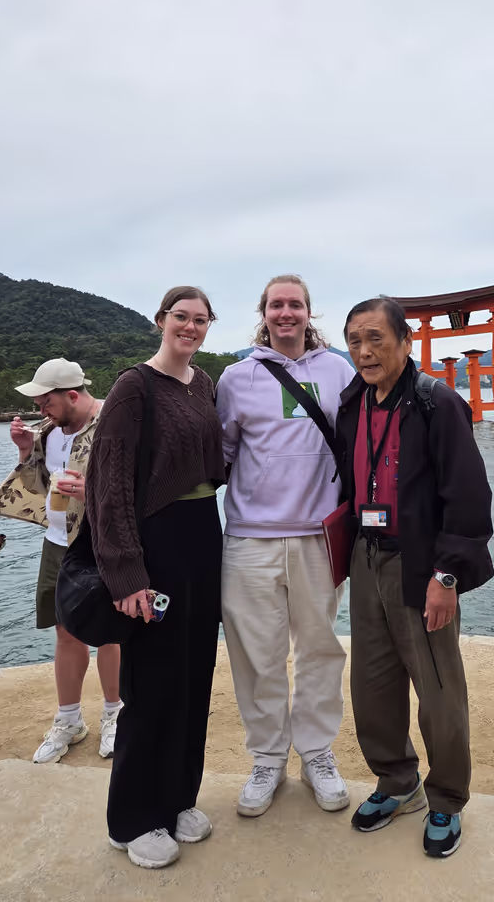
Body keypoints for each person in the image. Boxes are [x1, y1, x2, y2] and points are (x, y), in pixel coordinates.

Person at [337, 296, 493, 858]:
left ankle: (447, 797)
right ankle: (397, 780)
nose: (364, 350)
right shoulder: (354, 402)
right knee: (372, 683)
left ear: (406, 342)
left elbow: (469, 497)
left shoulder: (437, 403)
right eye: (355, 339)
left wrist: (447, 576)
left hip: (420, 562)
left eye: (377, 337)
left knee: (437, 686)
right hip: (366, 555)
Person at [85, 287, 225, 870]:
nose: (189, 328)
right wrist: (127, 574)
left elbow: (218, 462)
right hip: (155, 542)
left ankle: (176, 799)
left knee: (194, 674)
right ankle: (133, 817)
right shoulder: (133, 387)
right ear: (160, 321)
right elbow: (109, 484)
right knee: (151, 682)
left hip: (202, 535)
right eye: (180, 318)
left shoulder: (204, 384)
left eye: (200, 320)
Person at [217, 274, 354, 818]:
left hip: (319, 535)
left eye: (295, 304)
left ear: (309, 312)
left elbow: (357, 439)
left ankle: (316, 751)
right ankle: (268, 756)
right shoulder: (236, 377)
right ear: (264, 313)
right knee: (257, 654)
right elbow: (222, 453)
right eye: (277, 305)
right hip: (250, 536)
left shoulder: (338, 369)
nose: (286, 313)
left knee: (321, 647)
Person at [0, 359, 121, 763]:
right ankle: (69, 720)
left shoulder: (112, 426)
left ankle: (114, 714)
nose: (40, 409)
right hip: (57, 543)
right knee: (65, 632)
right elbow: (36, 484)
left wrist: (89, 490)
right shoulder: (50, 432)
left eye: (45, 401)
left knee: (111, 632)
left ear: (71, 395)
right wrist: (26, 450)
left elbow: (135, 485)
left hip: (101, 544)